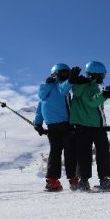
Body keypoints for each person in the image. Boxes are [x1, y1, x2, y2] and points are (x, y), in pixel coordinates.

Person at [69, 61, 110, 191]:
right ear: (95, 75)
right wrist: (104, 95)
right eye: (102, 75)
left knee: (83, 154)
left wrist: (103, 94)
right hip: (95, 127)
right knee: (103, 153)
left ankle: (83, 181)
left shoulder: (81, 86)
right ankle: (104, 180)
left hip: (82, 127)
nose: (103, 78)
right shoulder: (88, 86)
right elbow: (92, 102)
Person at [34, 63, 78, 191]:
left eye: (68, 73)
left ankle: (52, 181)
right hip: (66, 124)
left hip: (51, 126)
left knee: (55, 152)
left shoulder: (44, 91)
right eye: (64, 73)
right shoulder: (60, 87)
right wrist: (71, 80)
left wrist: (38, 124)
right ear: (56, 74)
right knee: (70, 152)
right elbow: (65, 87)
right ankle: (74, 180)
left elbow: (39, 109)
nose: (66, 76)